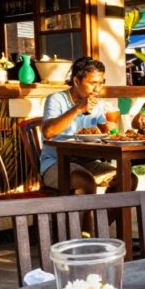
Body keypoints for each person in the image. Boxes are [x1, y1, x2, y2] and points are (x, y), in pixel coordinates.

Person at [39, 57, 119, 194]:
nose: (97, 89)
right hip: (57, 162)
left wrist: (111, 129)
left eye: (101, 83)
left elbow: (108, 132)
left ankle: (108, 209)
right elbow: (48, 132)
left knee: (127, 178)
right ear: (76, 81)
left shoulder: (97, 104)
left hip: (87, 162)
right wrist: (78, 109)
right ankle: (90, 210)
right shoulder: (56, 99)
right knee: (86, 181)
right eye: (92, 83)